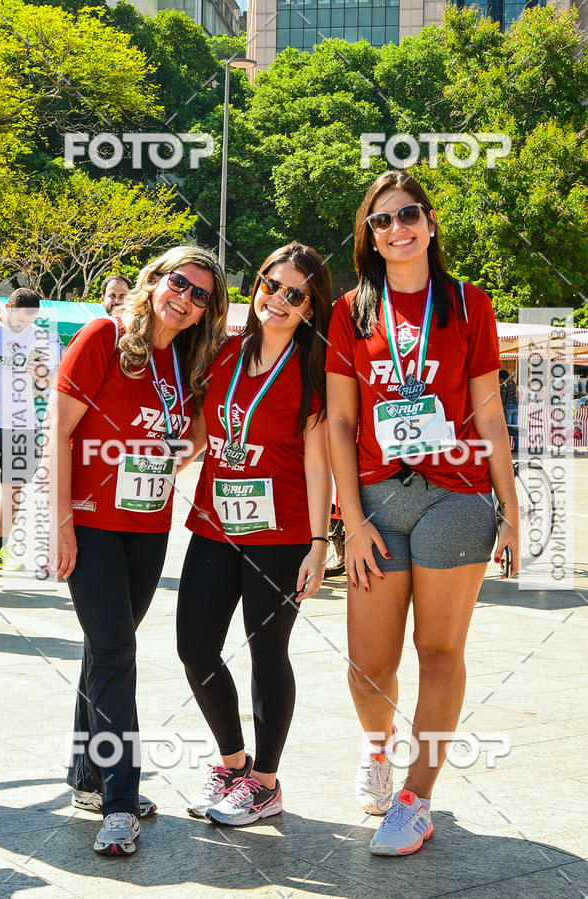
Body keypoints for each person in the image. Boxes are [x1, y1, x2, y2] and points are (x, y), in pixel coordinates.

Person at [325, 171, 519, 856]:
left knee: (439, 652)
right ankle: (378, 749)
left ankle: (417, 796)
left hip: (458, 497)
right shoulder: (351, 310)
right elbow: (342, 419)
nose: (397, 228)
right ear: (368, 238)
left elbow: (490, 409)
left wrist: (513, 510)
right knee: (367, 664)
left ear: (431, 224)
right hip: (377, 501)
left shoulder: (469, 304)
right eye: (382, 220)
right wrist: (351, 517)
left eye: (408, 214)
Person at [48, 246, 228, 856]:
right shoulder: (103, 335)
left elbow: (198, 432)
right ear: (154, 281)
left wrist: (169, 455)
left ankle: (88, 776)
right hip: (94, 524)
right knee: (117, 651)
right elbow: (59, 431)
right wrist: (63, 521)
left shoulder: (183, 359)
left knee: (105, 647)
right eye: (180, 283)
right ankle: (121, 803)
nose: (186, 299)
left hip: (149, 528)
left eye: (201, 295)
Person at [177, 242, 333, 826]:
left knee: (268, 653)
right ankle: (233, 762)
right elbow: (199, 430)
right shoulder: (222, 354)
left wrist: (320, 543)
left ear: (311, 306)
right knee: (195, 646)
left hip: (284, 528)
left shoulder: (312, 370)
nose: (278, 299)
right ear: (258, 284)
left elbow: (319, 464)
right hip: (215, 524)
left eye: (295, 294)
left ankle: (265, 783)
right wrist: (166, 458)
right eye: (271, 284)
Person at [0, 288, 60, 568]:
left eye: (29, 319)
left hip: (23, 425)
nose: (23, 324)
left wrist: (42, 373)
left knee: (13, 487)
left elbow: (52, 381)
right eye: (19, 318)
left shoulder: (41, 338)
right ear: (8, 308)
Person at [499, 368, 518, 452]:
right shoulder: (513, 383)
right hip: (516, 407)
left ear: (502, 378)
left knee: (508, 429)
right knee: (515, 430)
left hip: (508, 408)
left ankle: (507, 447)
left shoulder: (504, 385)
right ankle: (517, 447)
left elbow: (502, 399)